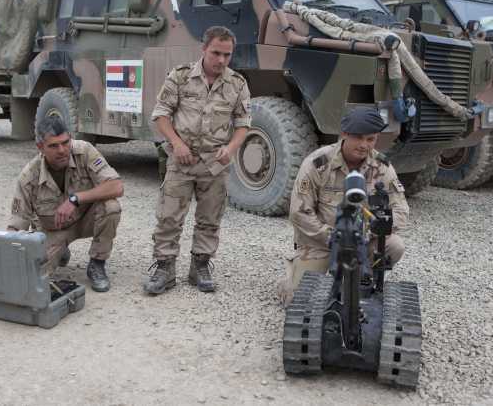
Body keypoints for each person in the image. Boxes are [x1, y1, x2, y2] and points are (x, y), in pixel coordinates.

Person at [144, 26, 252, 295]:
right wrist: (177, 144)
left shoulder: (237, 83)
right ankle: (165, 268)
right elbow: (161, 114)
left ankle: (200, 267)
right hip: (182, 159)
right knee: (169, 217)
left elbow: (243, 123)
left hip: (215, 163)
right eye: (216, 53)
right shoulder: (180, 77)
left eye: (227, 55)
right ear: (203, 49)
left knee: (210, 218)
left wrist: (231, 148)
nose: (221, 60)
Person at [277, 107, 409, 305]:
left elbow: (401, 211)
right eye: (358, 138)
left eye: (371, 139)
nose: (364, 145)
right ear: (344, 134)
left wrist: (370, 229)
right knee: (299, 302)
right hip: (323, 243)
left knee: (395, 246)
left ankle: (363, 279)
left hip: (363, 241)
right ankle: (292, 274)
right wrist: (333, 236)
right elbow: (299, 213)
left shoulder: (382, 167)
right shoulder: (318, 164)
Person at [8, 115, 123, 292]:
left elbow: (116, 186)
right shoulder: (29, 176)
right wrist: (6, 256)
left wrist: (75, 199)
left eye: (65, 142)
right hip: (53, 231)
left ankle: (97, 263)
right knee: (31, 276)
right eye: (53, 146)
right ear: (40, 147)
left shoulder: (84, 151)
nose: (62, 150)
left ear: (70, 138)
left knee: (111, 207)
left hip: (86, 219)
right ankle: (60, 250)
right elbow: (16, 227)